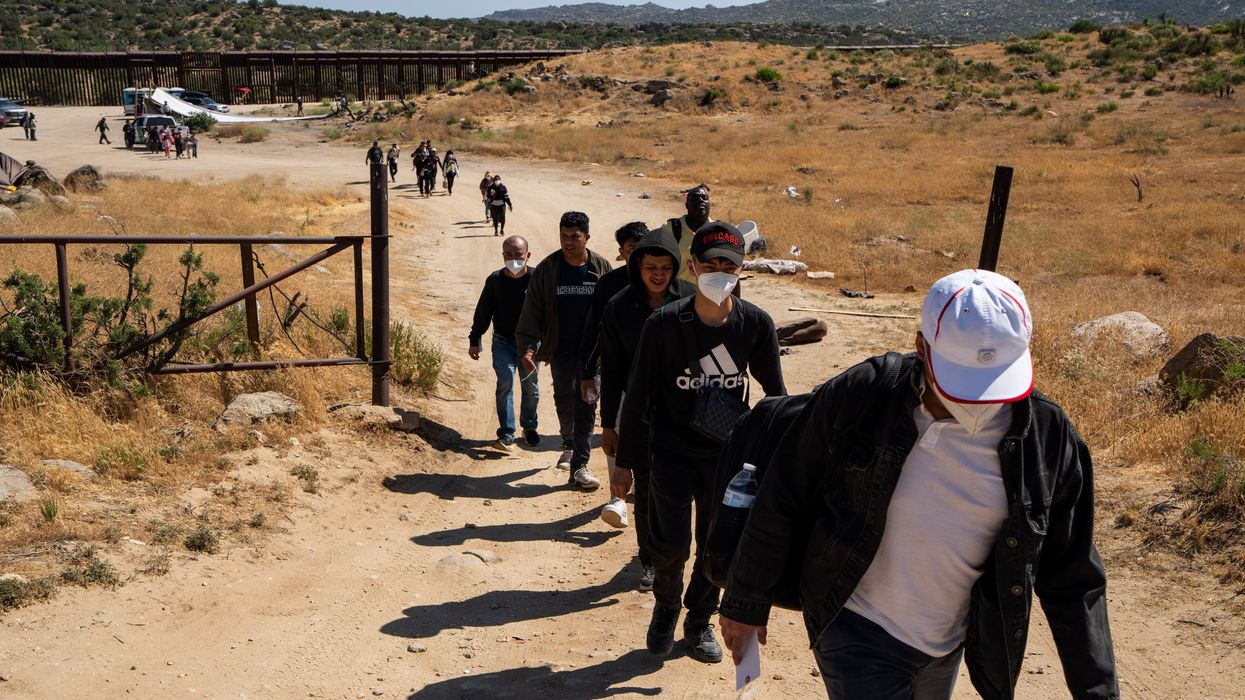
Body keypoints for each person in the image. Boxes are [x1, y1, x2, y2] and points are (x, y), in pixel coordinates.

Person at [718, 269, 1119, 699]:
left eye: (994, 383)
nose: (981, 402)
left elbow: (1073, 576)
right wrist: (745, 602)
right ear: (922, 348)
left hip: (948, 641)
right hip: (855, 624)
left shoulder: (1046, 437)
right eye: (964, 383)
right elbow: (783, 493)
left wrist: (1098, 693)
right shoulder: (865, 396)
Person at [615, 221, 785, 664]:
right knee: (670, 545)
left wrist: (775, 457)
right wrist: (624, 462)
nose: (719, 272)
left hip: (727, 456)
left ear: (742, 269)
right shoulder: (664, 324)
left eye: (728, 265)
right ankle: (666, 606)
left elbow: (776, 397)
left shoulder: (755, 324)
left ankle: (698, 619)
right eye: (710, 265)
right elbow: (638, 395)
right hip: (671, 450)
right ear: (691, 267)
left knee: (716, 545)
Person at [597, 227, 693, 590]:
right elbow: (613, 371)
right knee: (648, 493)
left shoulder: (691, 299)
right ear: (637, 265)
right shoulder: (619, 307)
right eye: (651, 267)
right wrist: (609, 424)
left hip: (687, 414)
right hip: (640, 413)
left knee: (682, 493)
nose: (658, 275)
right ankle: (649, 559)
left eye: (666, 268)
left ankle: (678, 555)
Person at [515, 211, 612, 489]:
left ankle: (580, 464)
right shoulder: (548, 269)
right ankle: (569, 444)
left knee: (587, 403)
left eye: (574, 237)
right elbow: (532, 310)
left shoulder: (601, 268)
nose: (568, 242)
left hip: (593, 351)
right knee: (565, 399)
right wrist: (528, 347)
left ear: (587, 237)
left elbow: (613, 309)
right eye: (563, 236)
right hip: (560, 349)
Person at [469, 236, 541, 451]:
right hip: (503, 341)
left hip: (530, 344)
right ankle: (507, 433)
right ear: (502, 256)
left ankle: (529, 427)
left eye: (518, 255)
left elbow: (549, 313)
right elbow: (484, 311)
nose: (513, 259)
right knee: (505, 383)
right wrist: (475, 339)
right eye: (508, 255)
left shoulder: (537, 278)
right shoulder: (495, 280)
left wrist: (547, 345)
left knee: (531, 387)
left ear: (528, 255)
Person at [660, 185, 714, 284]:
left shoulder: (717, 230)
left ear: (709, 204)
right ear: (686, 205)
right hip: (679, 291)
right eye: (695, 198)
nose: (700, 200)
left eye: (704, 198)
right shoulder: (671, 228)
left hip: (709, 291)